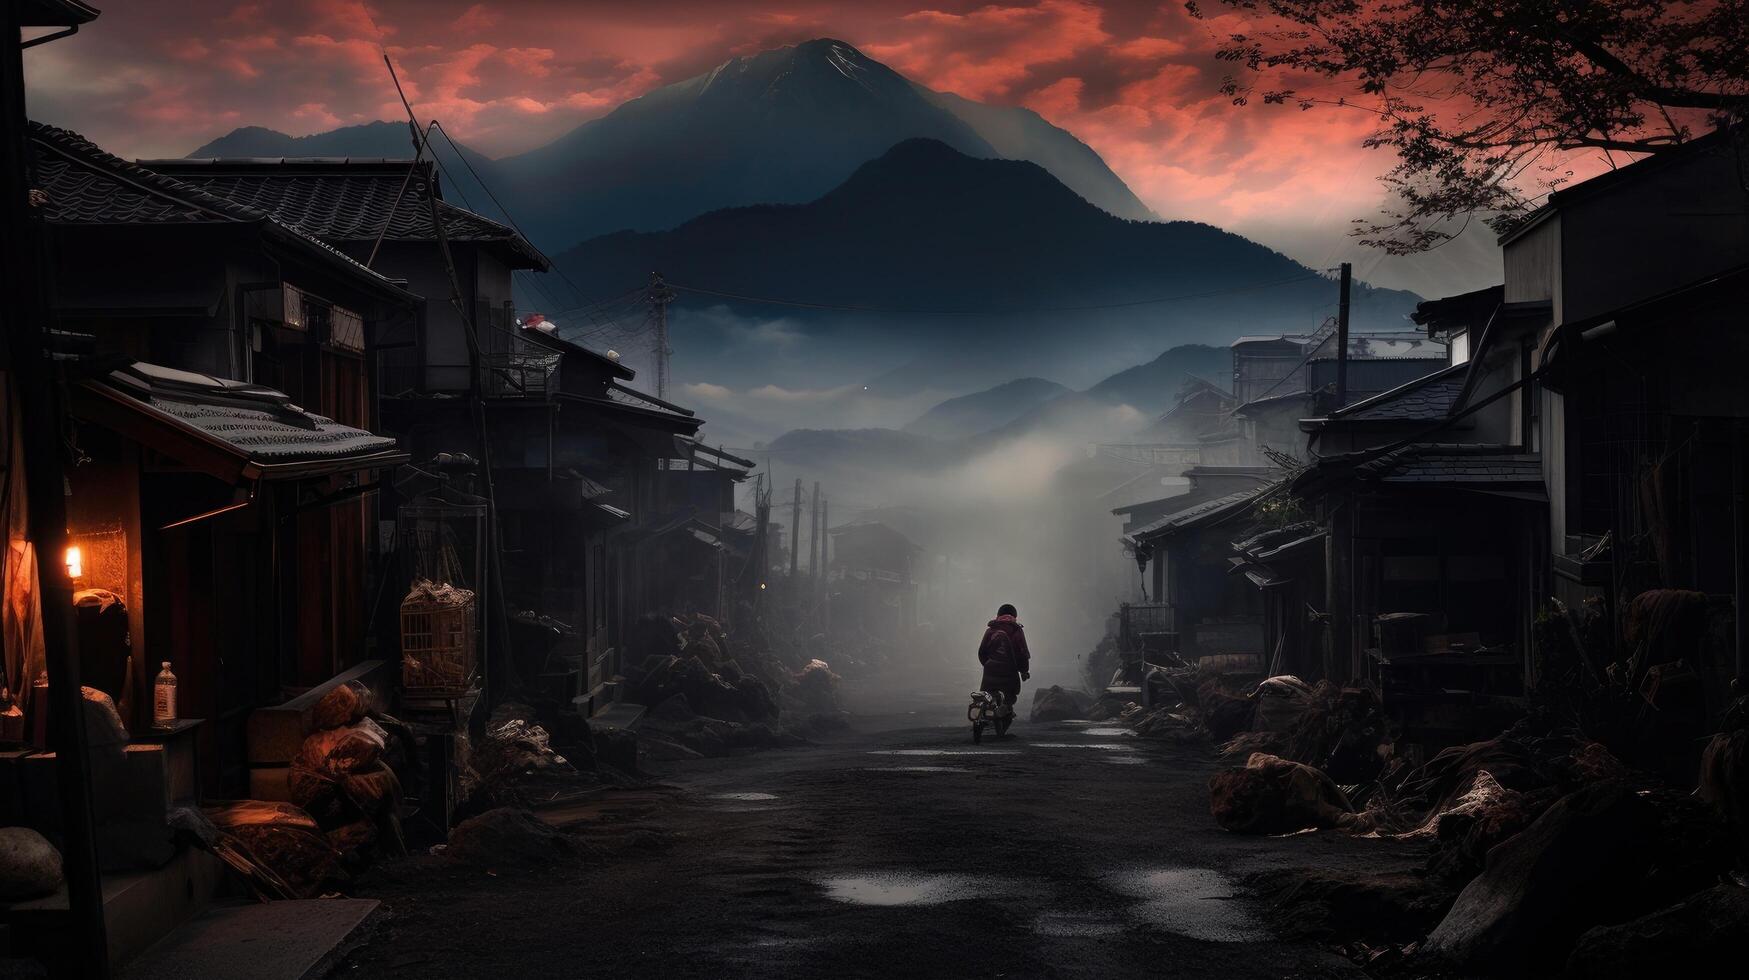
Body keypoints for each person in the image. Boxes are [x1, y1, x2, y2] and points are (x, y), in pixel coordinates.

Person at [977, 603, 1031, 723]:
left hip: (990, 669)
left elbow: (982, 651)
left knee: (987, 693)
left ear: (998, 615)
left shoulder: (991, 630)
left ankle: (981, 712)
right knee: (1011, 694)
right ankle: (1005, 707)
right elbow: (1023, 653)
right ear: (1015, 617)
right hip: (1010, 670)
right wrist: (1024, 671)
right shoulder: (1017, 631)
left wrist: (987, 664)